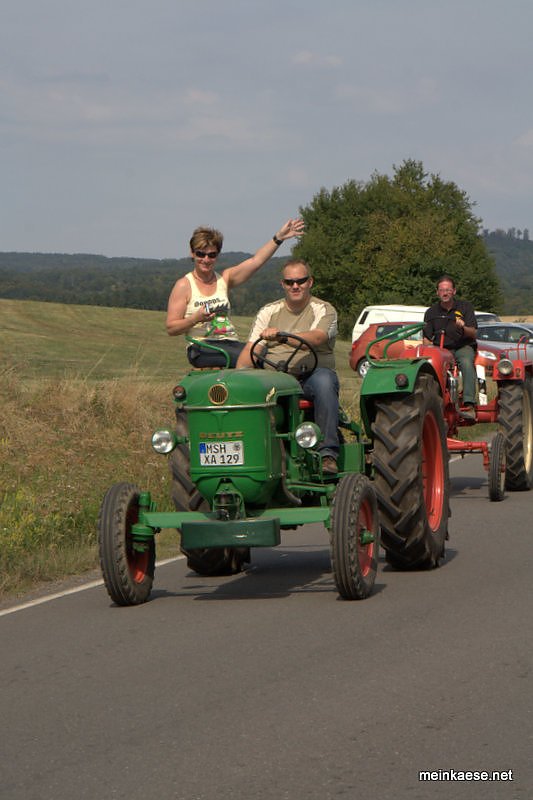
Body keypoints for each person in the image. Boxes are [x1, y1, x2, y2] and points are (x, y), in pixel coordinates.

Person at [236, 259, 340, 473]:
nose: (295, 286)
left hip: (311, 375)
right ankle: (247, 454)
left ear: (310, 282)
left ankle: (327, 454)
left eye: (300, 281)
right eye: (290, 282)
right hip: (277, 377)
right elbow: (251, 350)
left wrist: (282, 337)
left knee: (324, 382)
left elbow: (317, 338)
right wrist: (239, 377)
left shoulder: (323, 309)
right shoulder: (269, 311)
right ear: (282, 284)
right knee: (248, 390)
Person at [166, 219, 305, 367]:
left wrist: (279, 238)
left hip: (231, 343)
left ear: (217, 255)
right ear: (192, 253)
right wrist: (195, 318)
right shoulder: (184, 285)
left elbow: (255, 261)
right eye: (201, 254)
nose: (206, 260)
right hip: (202, 347)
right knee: (258, 358)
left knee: (269, 352)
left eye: (212, 255)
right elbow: (171, 328)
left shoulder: (224, 279)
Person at [423, 275, 478, 420]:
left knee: (466, 362)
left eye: (448, 290)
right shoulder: (431, 313)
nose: (445, 293)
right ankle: (433, 403)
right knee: (429, 367)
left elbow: (473, 333)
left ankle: (469, 403)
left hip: (461, 346)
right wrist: (427, 351)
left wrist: (463, 327)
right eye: (442, 290)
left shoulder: (465, 307)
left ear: (454, 291)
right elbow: (427, 338)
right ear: (437, 292)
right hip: (441, 349)